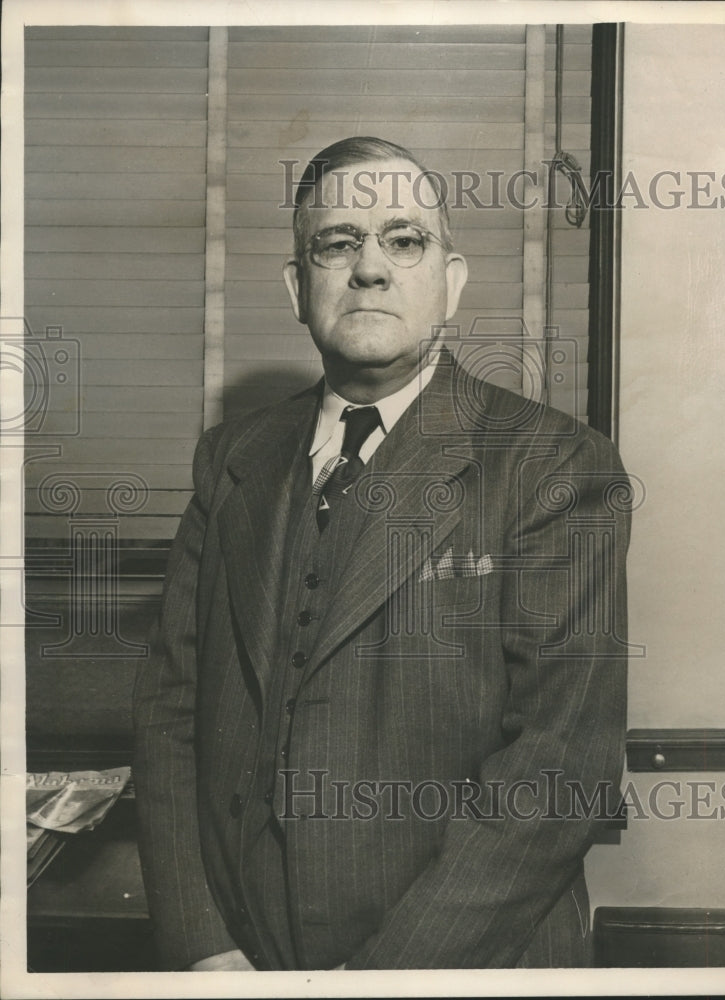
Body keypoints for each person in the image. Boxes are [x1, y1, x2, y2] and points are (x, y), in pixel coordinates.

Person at [133, 136, 631, 971]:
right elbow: (171, 710)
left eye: (404, 241)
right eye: (337, 242)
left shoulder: (552, 464)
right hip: (243, 962)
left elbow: (557, 768)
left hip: (463, 962)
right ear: (300, 288)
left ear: (451, 282)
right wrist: (203, 945)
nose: (369, 268)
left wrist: (378, 982)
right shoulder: (231, 460)